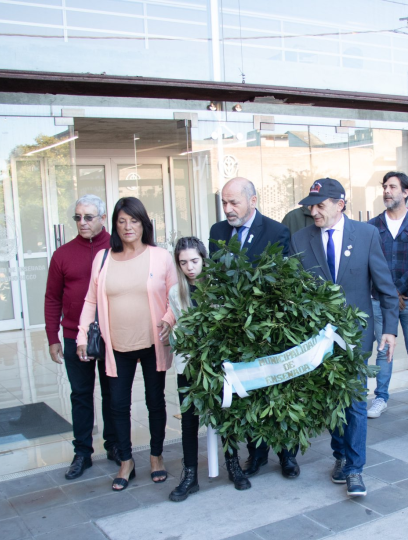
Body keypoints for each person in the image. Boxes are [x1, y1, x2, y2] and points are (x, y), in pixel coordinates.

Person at [290, 178, 399, 497]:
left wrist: (390, 330)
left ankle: (354, 468)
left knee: (352, 402)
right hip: (317, 341)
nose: (313, 212)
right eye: (310, 206)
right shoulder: (300, 239)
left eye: (320, 205)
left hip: (355, 338)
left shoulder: (366, 235)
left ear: (340, 204)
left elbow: (385, 286)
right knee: (331, 402)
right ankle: (340, 455)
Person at [77, 197, 178, 491]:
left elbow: (176, 296)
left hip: (152, 342)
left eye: (133, 220)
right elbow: (91, 300)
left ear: (143, 223)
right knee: (118, 405)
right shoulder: (104, 259)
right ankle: (126, 461)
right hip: (115, 344)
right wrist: (82, 335)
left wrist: (169, 320)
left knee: (155, 402)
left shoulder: (160, 257)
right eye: (121, 221)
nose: (127, 226)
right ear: (114, 225)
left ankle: (156, 456)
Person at [208, 177, 296, 479]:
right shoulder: (217, 232)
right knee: (249, 392)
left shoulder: (276, 231)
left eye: (234, 202)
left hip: (269, 328)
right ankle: (256, 454)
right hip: (236, 330)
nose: (228, 209)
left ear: (253, 201)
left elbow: (286, 281)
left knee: (278, 391)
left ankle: (287, 456)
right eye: (224, 202)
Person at [44, 195, 118, 480]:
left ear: (102, 218)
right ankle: (83, 452)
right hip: (76, 336)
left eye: (88, 217)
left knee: (113, 392)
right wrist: (53, 337)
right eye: (77, 217)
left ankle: (114, 444)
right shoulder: (62, 255)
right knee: (81, 395)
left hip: (112, 335)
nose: (82, 223)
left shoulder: (118, 248)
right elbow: (52, 298)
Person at [367, 172, 408, 420]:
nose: (387, 191)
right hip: (381, 300)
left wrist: (398, 289)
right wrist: (390, 294)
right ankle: (380, 398)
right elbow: (371, 263)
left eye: (392, 187)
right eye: (384, 186)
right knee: (384, 351)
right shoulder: (372, 226)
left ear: (406, 192)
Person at [168, 237, 209, 501]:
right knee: (189, 421)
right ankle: (190, 475)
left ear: (204, 258)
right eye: (183, 263)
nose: (190, 268)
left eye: (194, 261)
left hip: (217, 364)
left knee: (225, 416)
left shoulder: (219, 287)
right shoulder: (176, 292)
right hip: (188, 364)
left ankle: (233, 466)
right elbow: (183, 331)